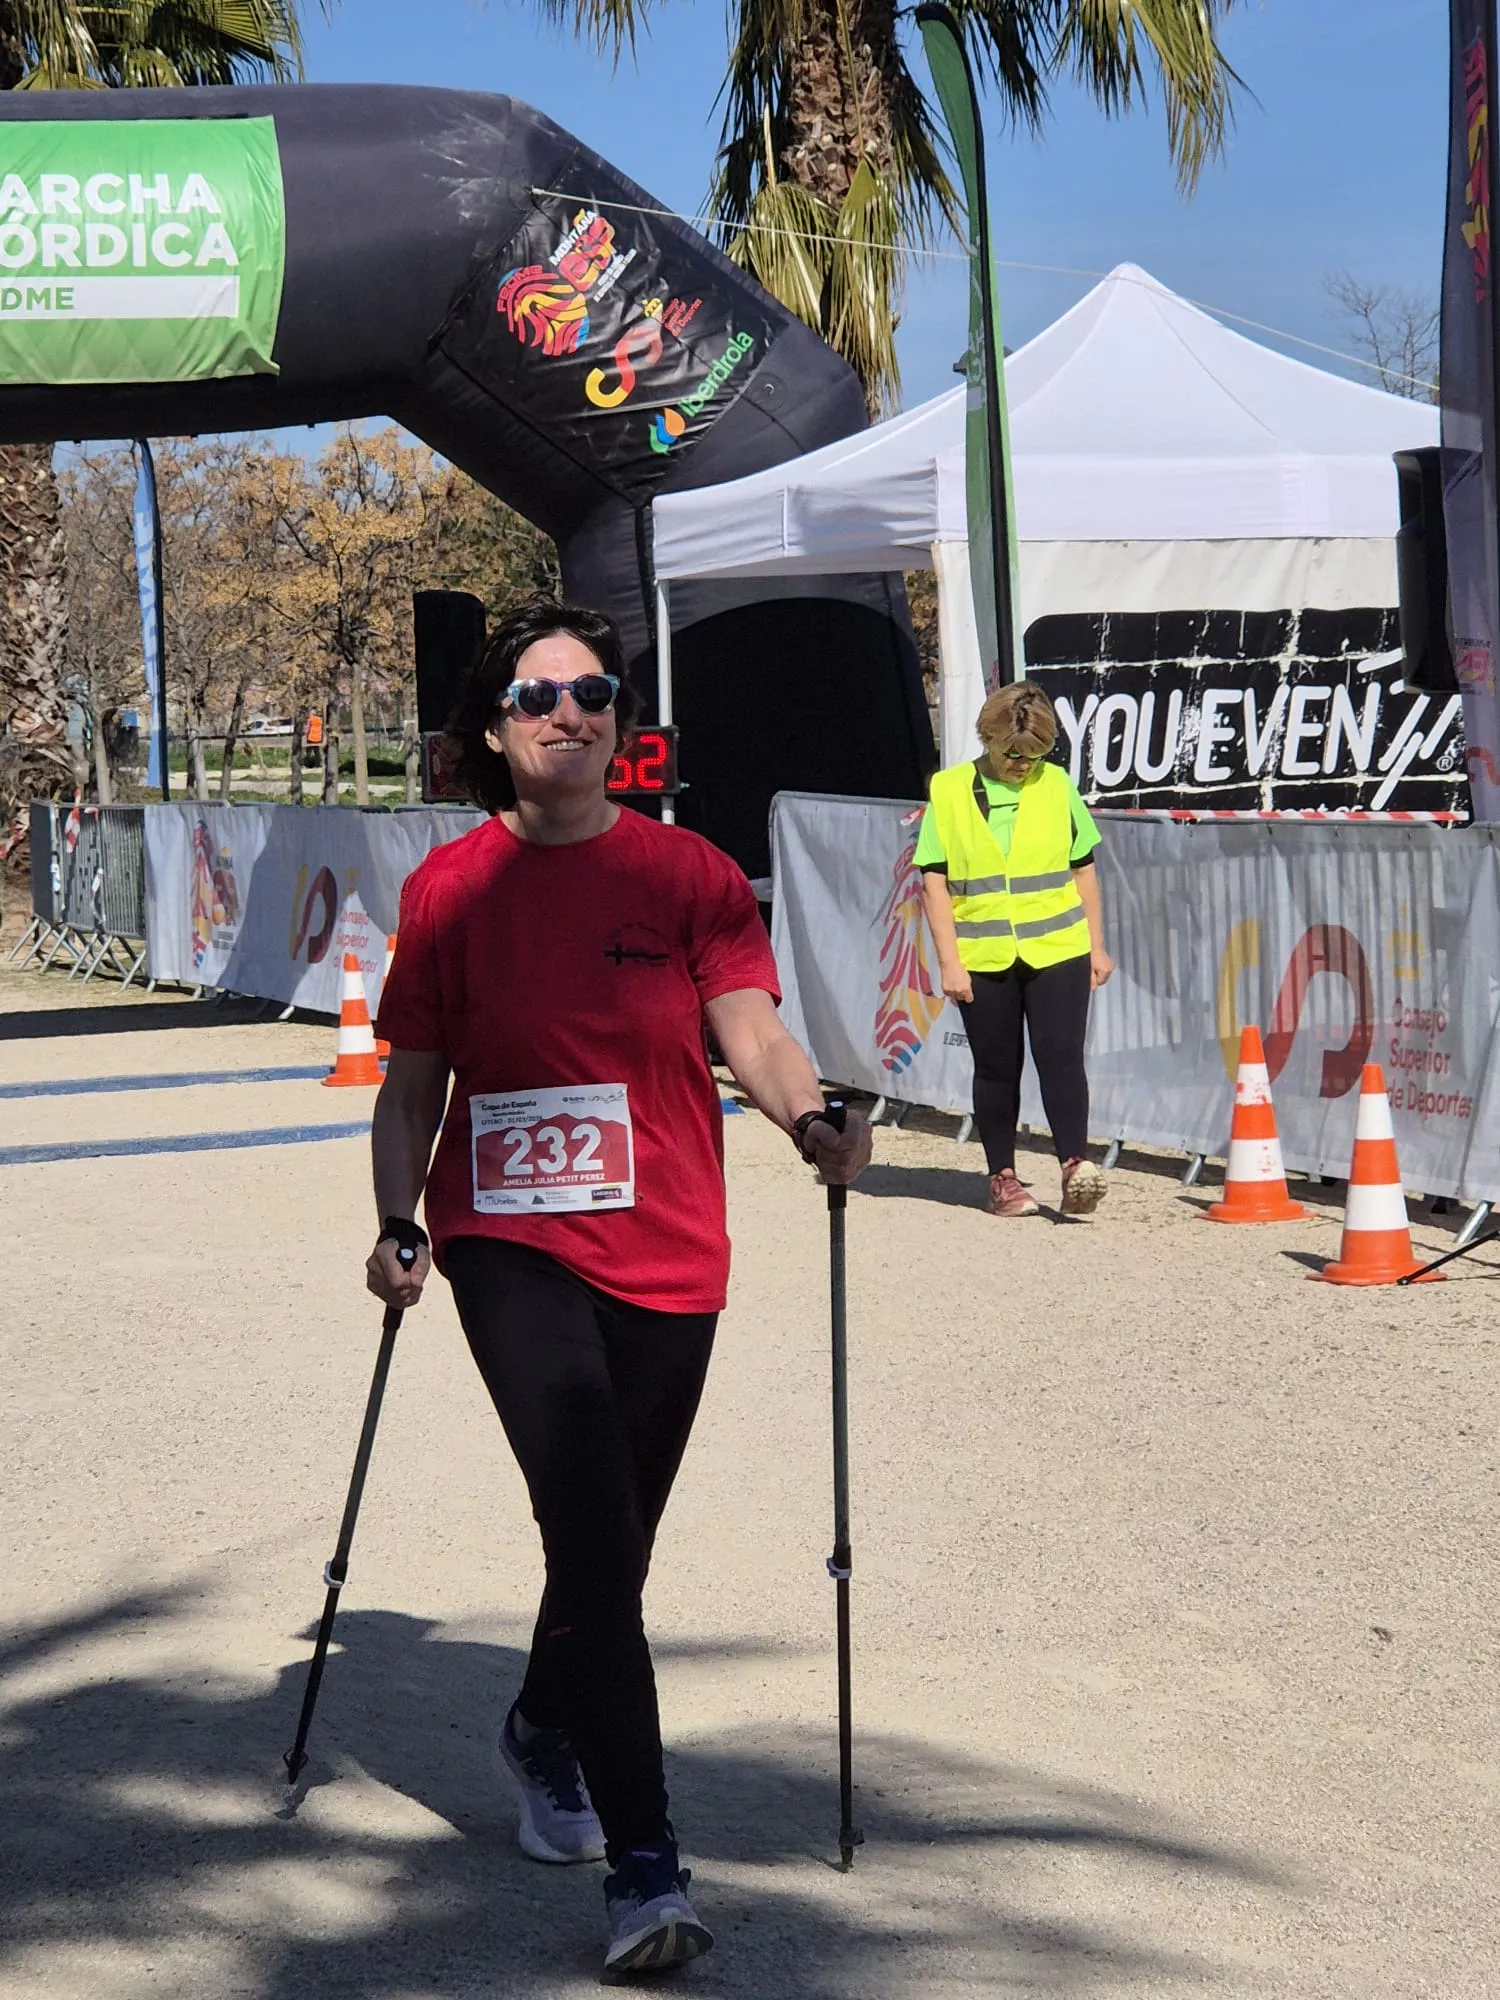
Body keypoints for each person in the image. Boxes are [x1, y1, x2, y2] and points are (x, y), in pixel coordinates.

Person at [365, 597, 871, 1978]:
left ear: (619, 724)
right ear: (493, 728)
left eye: (592, 694)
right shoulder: (453, 889)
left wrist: (808, 1116)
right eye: (539, 697)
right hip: (510, 1245)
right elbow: (414, 1083)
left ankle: (539, 1727)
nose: (570, 715)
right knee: (591, 1524)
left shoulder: (689, 875)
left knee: (612, 1548)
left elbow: (751, 1031)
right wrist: (397, 1221)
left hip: (670, 1249)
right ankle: (647, 1873)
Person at [917, 680, 1114, 1219]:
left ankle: (1076, 1165)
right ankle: (1002, 1178)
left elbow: (1084, 868)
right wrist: (949, 962)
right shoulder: (951, 791)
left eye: (1035, 754)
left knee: (1061, 1057)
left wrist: (1097, 946)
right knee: (998, 1068)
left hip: (1057, 948)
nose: (1023, 764)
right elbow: (933, 882)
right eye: (1012, 753)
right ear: (989, 739)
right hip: (983, 956)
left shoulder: (1057, 786)